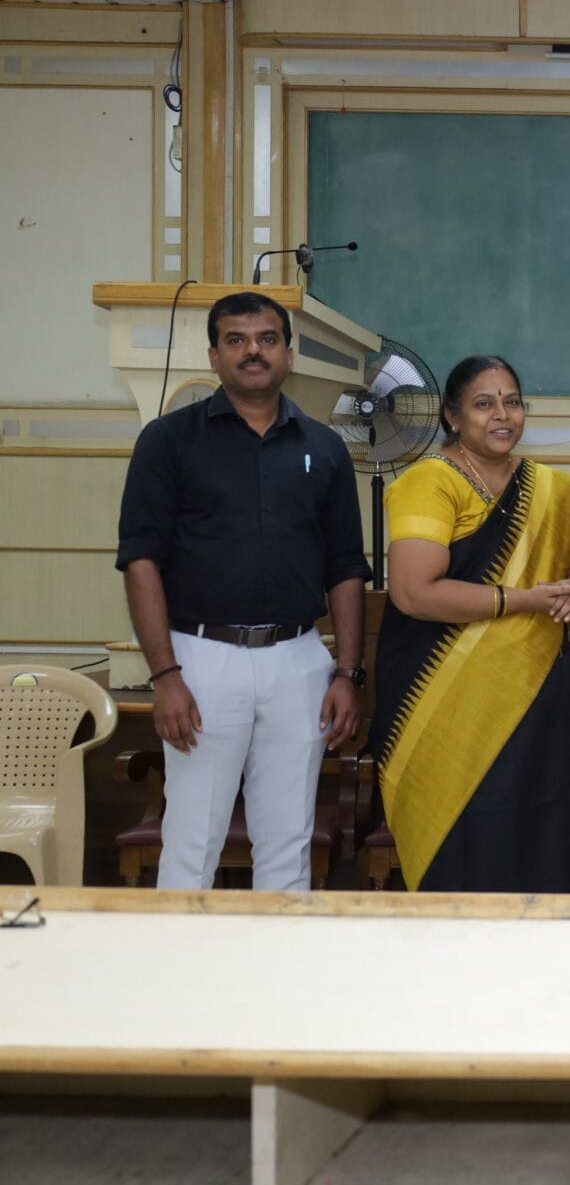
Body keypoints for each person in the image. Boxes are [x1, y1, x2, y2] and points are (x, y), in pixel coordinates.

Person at [116, 289, 369, 890]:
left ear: (288, 354)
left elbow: (346, 567)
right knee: (192, 842)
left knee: (288, 845)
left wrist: (347, 673)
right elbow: (141, 560)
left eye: (267, 339)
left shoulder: (324, 448)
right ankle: (185, 956)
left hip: (299, 661)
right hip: (200, 662)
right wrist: (165, 676)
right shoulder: (167, 441)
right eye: (236, 340)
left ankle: (278, 956)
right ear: (214, 356)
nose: (253, 351)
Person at [370, 355, 570, 892]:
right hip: (443, 695)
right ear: (452, 417)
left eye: (512, 402)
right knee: (463, 834)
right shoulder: (430, 482)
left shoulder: (546, 486)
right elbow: (413, 592)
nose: (502, 415)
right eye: (484, 404)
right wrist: (523, 600)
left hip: (535, 691)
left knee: (542, 827)